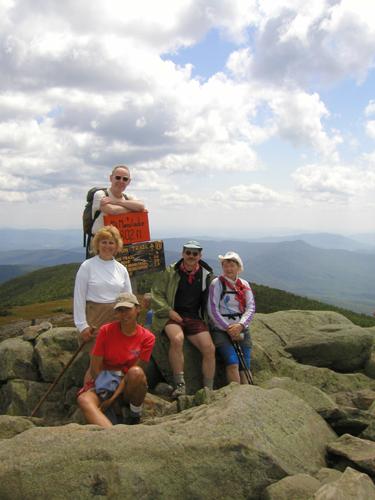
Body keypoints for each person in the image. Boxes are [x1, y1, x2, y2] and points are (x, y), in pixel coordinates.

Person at [77, 292, 155, 427]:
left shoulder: (148, 338)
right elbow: (95, 368)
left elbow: (135, 372)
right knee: (84, 400)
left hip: (128, 384)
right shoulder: (105, 331)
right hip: (105, 382)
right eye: (119, 310)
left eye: (127, 309)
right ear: (116, 313)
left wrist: (111, 400)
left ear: (137, 309)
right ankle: (113, 435)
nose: (124, 314)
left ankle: (134, 414)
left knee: (136, 373)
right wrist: (104, 394)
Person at [151, 240, 216, 397]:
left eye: (195, 254)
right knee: (177, 339)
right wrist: (168, 311)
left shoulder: (207, 276)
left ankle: (208, 389)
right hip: (173, 315)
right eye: (188, 253)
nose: (191, 256)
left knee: (209, 349)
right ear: (182, 254)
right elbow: (156, 293)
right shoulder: (171, 272)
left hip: (194, 317)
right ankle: (180, 385)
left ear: (200, 256)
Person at [73, 225, 132, 380]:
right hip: (95, 320)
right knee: (96, 363)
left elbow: (128, 298)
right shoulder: (87, 266)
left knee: (114, 361)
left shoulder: (121, 269)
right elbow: (79, 297)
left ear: (117, 245)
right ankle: (89, 394)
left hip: (117, 319)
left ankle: (108, 395)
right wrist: (82, 326)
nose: (107, 246)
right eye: (104, 242)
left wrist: (129, 322)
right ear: (97, 244)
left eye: (111, 242)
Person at [207, 251, 255, 384]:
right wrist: (229, 328)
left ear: (238, 267)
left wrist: (240, 326)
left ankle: (248, 393)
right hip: (221, 330)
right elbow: (212, 309)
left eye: (232, 265)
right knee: (233, 363)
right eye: (225, 266)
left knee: (245, 364)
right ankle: (237, 395)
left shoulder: (244, 285)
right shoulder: (217, 283)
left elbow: (251, 307)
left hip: (241, 328)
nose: (228, 269)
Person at [91, 164, 145, 236]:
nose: (121, 181)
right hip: (100, 244)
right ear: (111, 178)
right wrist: (133, 210)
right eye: (118, 177)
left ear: (128, 182)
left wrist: (116, 202)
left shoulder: (128, 197)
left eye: (125, 179)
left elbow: (141, 206)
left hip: (122, 244)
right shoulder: (100, 194)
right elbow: (112, 211)